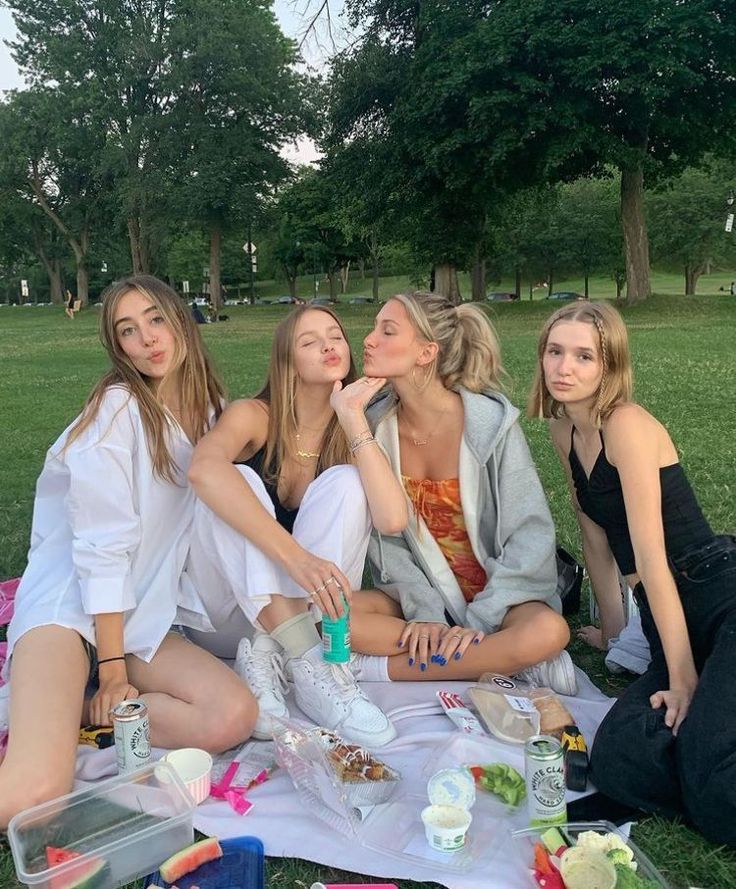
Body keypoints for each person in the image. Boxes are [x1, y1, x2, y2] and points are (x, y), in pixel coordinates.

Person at [0, 275, 257, 830]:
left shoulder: (212, 411)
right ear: (118, 348)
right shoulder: (116, 413)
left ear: (180, 319)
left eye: (157, 319)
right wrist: (113, 671)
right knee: (33, 794)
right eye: (129, 330)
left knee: (233, 715)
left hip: (142, 614)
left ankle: (80, 717)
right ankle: (70, 701)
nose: (148, 339)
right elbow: (100, 552)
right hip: (71, 611)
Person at [529, 300, 736, 847]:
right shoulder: (564, 433)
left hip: (719, 597)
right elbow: (597, 547)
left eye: (583, 356)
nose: (563, 367)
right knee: (619, 757)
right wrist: (619, 635)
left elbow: (651, 560)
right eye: (555, 351)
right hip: (670, 618)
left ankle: (704, 769)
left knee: (711, 775)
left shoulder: (627, 425)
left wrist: (682, 677)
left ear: (610, 365)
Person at [186, 305, 408, 746]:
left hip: (299, 622)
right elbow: (202, 470)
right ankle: (311, 662)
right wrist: (296, 558)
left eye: (335, 336)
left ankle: (290, 662)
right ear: (287, 361)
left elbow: (392, 518)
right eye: (309, 341)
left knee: (348, 482)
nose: (328, 345)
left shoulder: (349, 431)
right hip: (225, 619)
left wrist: (350, 415)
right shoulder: (254, 415)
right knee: (236, 478)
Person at [346, 291, 576, 693]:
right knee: (333, 614)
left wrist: (479, 621)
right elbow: (386, 546)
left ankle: (382, 670)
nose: (367, 339)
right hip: (418, 601)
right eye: (373, 329)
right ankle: (497, 662)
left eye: (387, 330)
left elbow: (530, 533)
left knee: (547, 630)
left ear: (426, 352)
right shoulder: (373, 429)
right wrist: (427, 615)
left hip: (503, 600)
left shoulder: (491, 424)